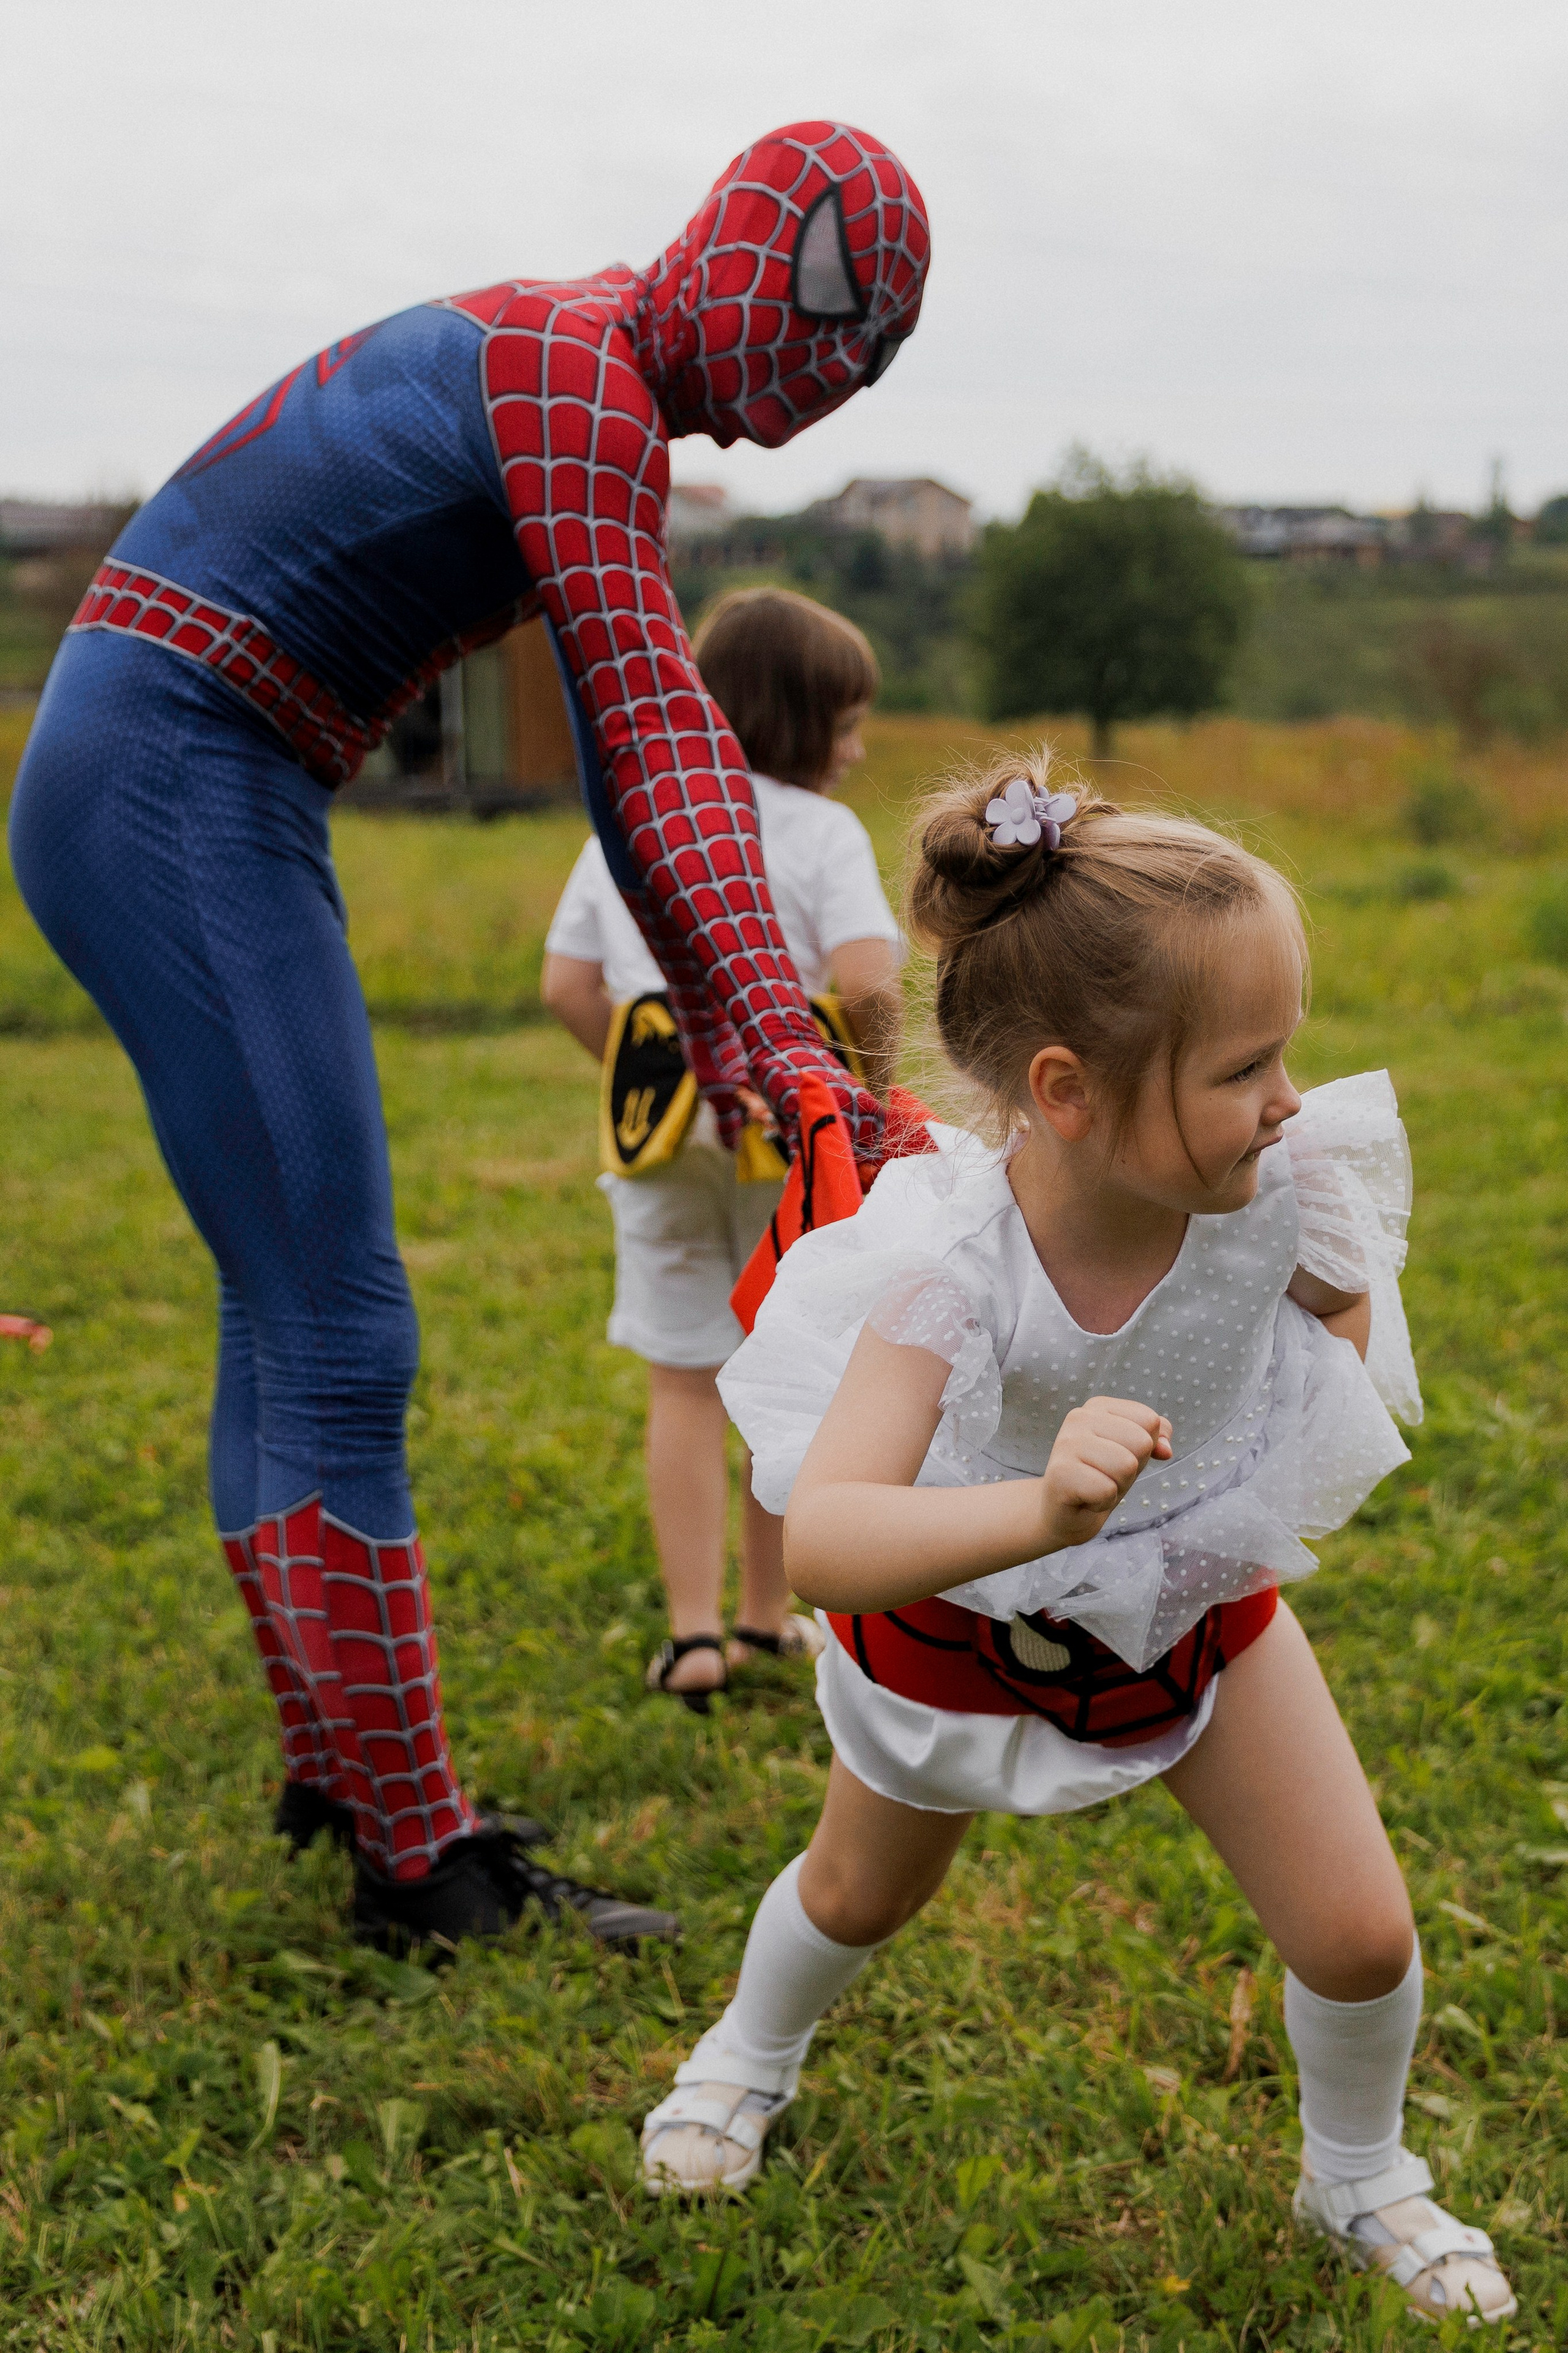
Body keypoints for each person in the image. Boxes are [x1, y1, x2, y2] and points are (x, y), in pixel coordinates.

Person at [7, 124, 928, 1952]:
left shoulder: (568, 365)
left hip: (192, 760)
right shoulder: (575, 375)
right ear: (758, 256)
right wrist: (781, 1035)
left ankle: (346, 1759)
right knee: (340, 1318)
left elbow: (623, 736)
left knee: (287, 1302)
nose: (815, 403)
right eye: (842, 335)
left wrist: (751, 1014)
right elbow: (654, 728)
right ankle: (420, 1864)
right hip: (183, 763)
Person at [638, 757, 1514, 2327]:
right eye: (1246, 1067)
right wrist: (1037, 1508)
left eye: (1285, 1055)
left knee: (1360, 1930)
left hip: (1188, 1595)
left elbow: (1328, 1313)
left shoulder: (1277, 1180)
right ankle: (744, 2055)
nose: (1288, 1099)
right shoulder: (944, 1264)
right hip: (955, 1623)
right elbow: (830, 1536)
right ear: (1066, 1094)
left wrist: (1306, 1291)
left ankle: (1359, 2171)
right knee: (856, 1893)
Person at [542, 589, 903, 1710]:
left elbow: (566, 986)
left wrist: (647, 1068)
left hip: (660, 1130)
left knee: (682, 1378)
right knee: (781, 1370)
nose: (855, 748)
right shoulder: (818, 831)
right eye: (845, 722)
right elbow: (867, 984)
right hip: (787, 1126)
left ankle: (694, 1635)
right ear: (795, 721)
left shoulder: (630, 825)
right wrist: (870, 1094)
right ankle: (767, 1610)